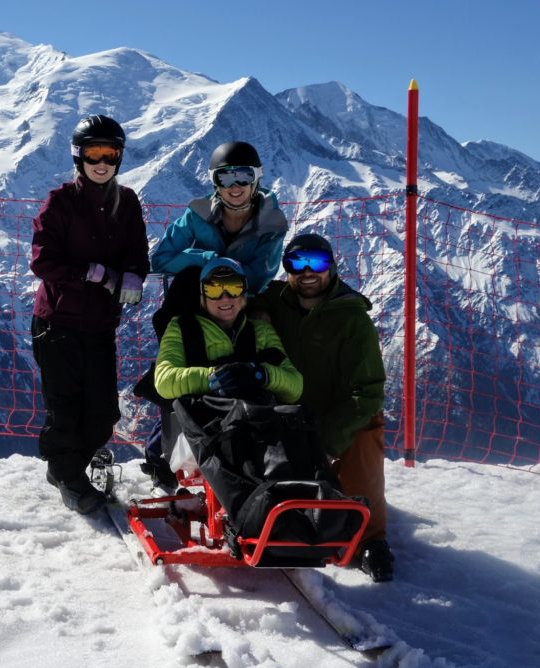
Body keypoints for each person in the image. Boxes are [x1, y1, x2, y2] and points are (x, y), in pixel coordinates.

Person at [141, 141, 289, 485]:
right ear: (214, 182)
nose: (235, 186)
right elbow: (160, 259)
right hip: (190, 306)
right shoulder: (196, 215)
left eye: (243, 176)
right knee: (181, 376)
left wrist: (223, 276)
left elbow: (259, 276)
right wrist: (204, 260)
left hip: (238, 303)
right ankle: (162, 451)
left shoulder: (271, 224)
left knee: (235, 375)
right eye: (226, 177)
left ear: (257, 180)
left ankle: (240, 455)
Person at [252, 233, 395, 582]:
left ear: (332, 265)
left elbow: (369, 391)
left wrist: (329, 438)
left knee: (365, 432)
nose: (306, 272)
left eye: (316, 262)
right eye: (295, 264)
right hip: (287, 411)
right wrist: (257, 314)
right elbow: (239, 302)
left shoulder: (352, 318)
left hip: (340, 413)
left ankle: (370, 540)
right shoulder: (275, 301)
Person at [30, 114, 149, 515]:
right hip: (58, 322)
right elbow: (43, 262)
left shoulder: (126, 201)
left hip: (100, 323)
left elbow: (137, 251)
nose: (102, 162)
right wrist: (90, 273)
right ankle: (69, 477)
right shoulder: (60, 202)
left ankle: (62, 466)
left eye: (110, 153)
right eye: (93, 153)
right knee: (65, 406)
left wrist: (133, 273)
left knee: (101, 412)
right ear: (78, 157)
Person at [153, 257, 302, 406]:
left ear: (244, 293)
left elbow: (294, 386)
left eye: (234, 288)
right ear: (202, 296)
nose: (225, 298)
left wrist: (260, 374)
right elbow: (164, 380)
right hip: (204, 424)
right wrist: (216, 377)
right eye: (214, 289)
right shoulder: (182, 328)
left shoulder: (260, 330)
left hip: (256, 424)